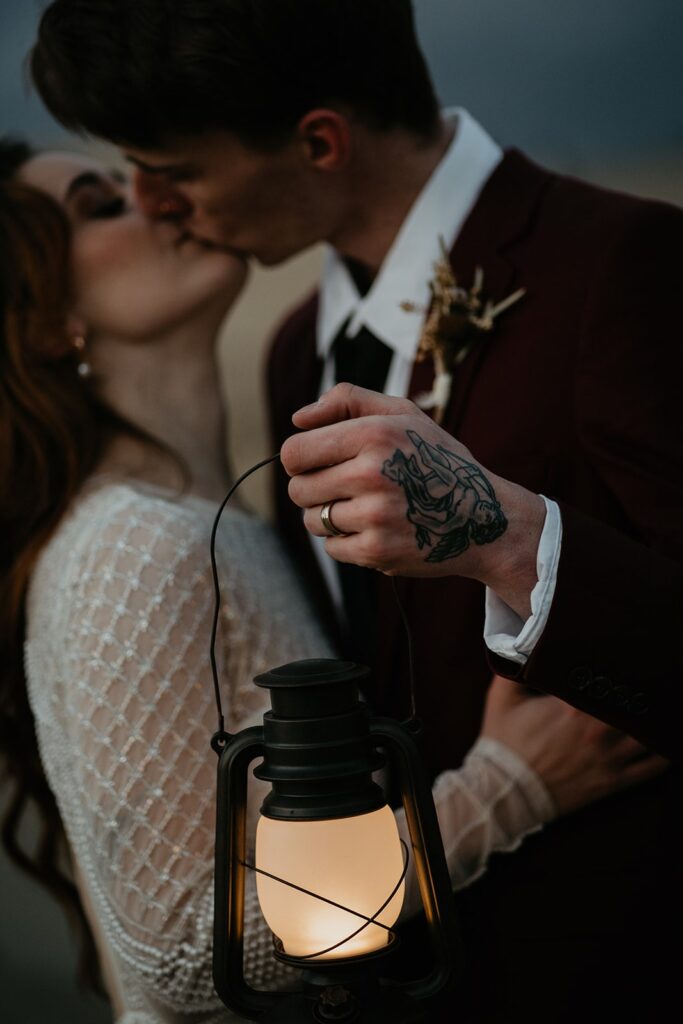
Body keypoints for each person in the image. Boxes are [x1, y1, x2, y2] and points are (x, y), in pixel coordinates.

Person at [27, 1, 681, 1019]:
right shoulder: (297, 347)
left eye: (179, 171)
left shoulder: (622, 265)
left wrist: (512, 540)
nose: (160, 205)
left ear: (318, 141)